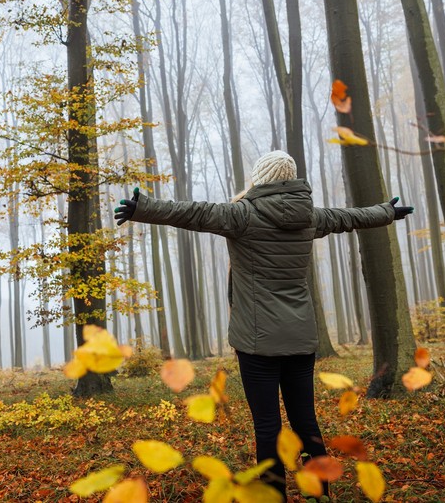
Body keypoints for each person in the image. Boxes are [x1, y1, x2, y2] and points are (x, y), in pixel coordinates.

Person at [114, 150, 413, 500]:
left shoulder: (242, 214)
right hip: (300, 337)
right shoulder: (310, 216)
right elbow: (351, 217)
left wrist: (142, 208)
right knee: (305, 422)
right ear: (291, 178)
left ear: (259, 177)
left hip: (257, 343)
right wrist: (387, 212)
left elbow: (192, 213)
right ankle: (321, 493)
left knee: (268, 427)